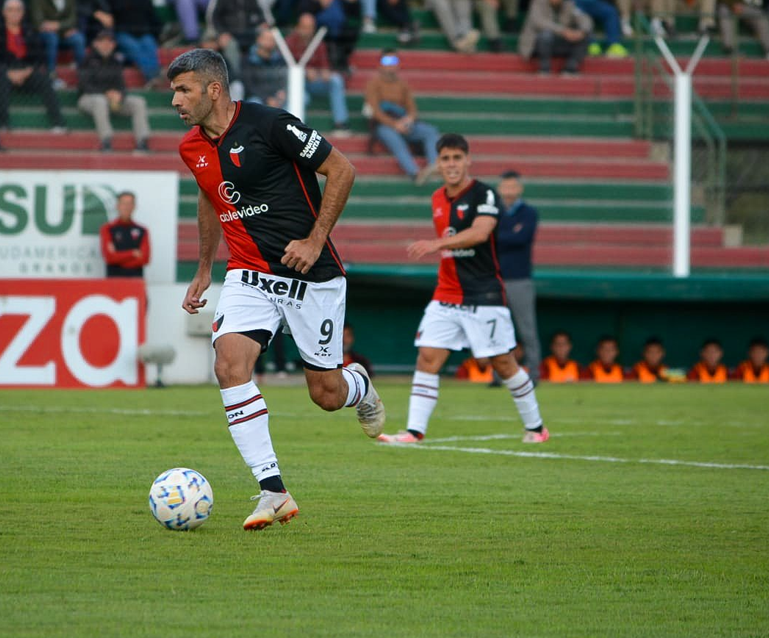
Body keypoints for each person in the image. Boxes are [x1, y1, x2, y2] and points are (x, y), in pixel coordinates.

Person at [169, 48, 386, 531]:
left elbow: (343, 169)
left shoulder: (271, 125)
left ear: (213, 90)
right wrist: (204, 268)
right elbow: (209, 197)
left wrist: (315, 240)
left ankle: (360, 386)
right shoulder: (191, 147)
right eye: (174, 92)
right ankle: (273, 490)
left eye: (184, 90)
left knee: (325, 394)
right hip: (248, 272)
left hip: (311, 274)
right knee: (228, 365)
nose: (176, 101)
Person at [377, 133, 547, 445]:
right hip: (446, 293)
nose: (452, 164)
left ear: (468, 160)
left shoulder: (485, 194)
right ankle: (414, 432)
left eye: (457, 158)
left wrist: (437, 244)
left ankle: (536, 428)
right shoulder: (437, 198)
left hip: (483, 294)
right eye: (445, 159)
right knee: (427, 357)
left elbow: (481, 233)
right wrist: (440, 247)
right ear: (438, 163)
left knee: (503, 363)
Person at [0, 0, 66, 132]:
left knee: (45, 80)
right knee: (2, 79)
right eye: (11, 10)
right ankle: (3, 124)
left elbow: (39, 58)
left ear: (23, 13)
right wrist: (7, 72)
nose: (14, 13)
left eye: (18, 10)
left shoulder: (29, 31)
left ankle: (58, 124)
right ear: (4, 12)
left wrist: (26, 72)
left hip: (26, 73)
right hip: (3, 74)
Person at [364, 50, 441, 186]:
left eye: (394, 61)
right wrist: (395, 124)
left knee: (430, 131)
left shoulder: (403, 85)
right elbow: (376, 111)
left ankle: (434, 166)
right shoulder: (373, 84)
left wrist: (409, 119)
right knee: (396, 141)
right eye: (386, 61)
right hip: (384, 124)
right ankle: (415, 173)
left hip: (403, 121)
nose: (390, 65)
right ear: (380, 65)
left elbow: (412, 108)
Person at [495, 169, 541, 383]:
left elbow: (522, 238)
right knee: (496, 330)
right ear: (499, 188)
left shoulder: (529, 213)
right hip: (496, 278)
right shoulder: (493, 212)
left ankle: (534, 373)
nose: (509, 190)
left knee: (527, 328)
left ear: (520, 188)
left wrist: (500, 237)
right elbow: (490, 238)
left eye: (513, 186)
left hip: (520, 279)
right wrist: (510, 235)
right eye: (506, 186)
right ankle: (497, 375)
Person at [77, 29, 151, 152]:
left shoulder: (116, 61)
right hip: (88, 99)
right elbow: (84, 86)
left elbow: (122, 86)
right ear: (95, 44)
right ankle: (106, 140)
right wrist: (105, 93)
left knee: (138, 102)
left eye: (109, 42)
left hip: (112, 100)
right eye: (102, 41)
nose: (106, 45)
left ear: (113, 45)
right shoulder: (87, 61)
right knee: (100, 101)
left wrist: (119, 95)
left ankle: (142, 141)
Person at [285, 13, 351, 135]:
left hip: (314, 82)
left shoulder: (318, 43)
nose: (307, 31)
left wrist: (324, 72)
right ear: (297, 27)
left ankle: (340, 123)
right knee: (303, 98)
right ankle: (298, 131)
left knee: (336, 80)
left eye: (310, 28)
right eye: (304, 27)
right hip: (295, 85)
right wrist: (304, 72)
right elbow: (284, 68)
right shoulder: (289, 42)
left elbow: (324, 66)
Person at [518, 0, 592, 75]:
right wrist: (563, 31)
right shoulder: (538, 2)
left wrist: (582, 31)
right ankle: (544, 69)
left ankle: (570, 68)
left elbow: (584, 18)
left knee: (584, 36)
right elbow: (539, 22)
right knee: (546, 35)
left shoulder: (569, 4)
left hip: (559, 43)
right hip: (536, 44)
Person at [30, 0, 86, 82]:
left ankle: (82, 72)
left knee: (78, 39)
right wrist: (61, 28)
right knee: (52, 38)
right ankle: (51, 73)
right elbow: (38, 22)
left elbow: (72, 20)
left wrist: (59, 25)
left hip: (64, 33)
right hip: (45, 34)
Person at [99, 191, 151, 277]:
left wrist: (119, 260)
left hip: (136, 281)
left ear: (134, 206)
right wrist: (132, 253)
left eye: (130, 204)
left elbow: (145, 258)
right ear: (117, 206)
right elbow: (109, 257)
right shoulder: (108, 229)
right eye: (124, 204)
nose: (127, 207)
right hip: (114, 281)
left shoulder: (142, 230)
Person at [112, 0, 162, 87]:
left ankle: (154, 78)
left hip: (143, 32)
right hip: (122, 33)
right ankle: (153, 78)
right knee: (134, 47)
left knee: (150, 46)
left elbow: (152, 17)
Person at [243, 26, 287, 108]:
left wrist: (282, 92)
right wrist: (267, 99)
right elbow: (249, 86)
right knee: (254, 102)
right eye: (267, 39)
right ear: (258, 39)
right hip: (257, 97)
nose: (270, 42)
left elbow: (284, 80)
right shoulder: (248, 60)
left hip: (276, 98)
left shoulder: (280, 60)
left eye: (272, 39)